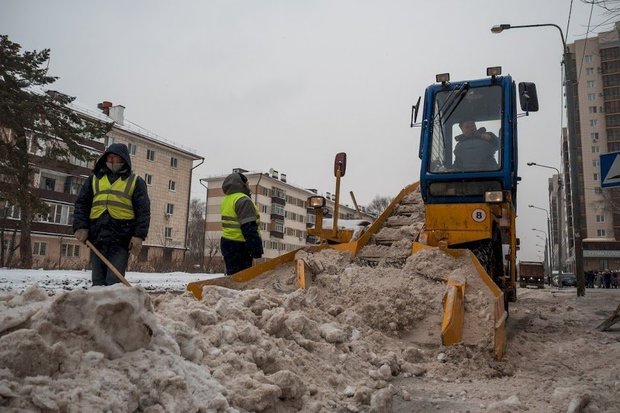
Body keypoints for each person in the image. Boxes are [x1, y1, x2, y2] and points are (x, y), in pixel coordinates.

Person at [73, 143, 151, 286]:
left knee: (114, 282)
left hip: (121, 239)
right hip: (98, 238)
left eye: (116, 158)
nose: (112, 161)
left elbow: (143, 212)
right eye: (109, 158)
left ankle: (115, 300)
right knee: (98, 281)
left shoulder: (135, 182)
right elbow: (82, 204)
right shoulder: (94, 180)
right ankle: (98, 300)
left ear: (124, 159)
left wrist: (138, 236)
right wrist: (80, 226)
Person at [220, 172, 263, 275]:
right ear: (241, 184)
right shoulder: (243, 200)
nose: (248, 186)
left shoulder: (227, 199)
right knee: (242, 278)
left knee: (233, 277)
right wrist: (256, 249)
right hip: (240, 246)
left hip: (227, 243)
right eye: (247, 183)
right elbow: (248, 227)